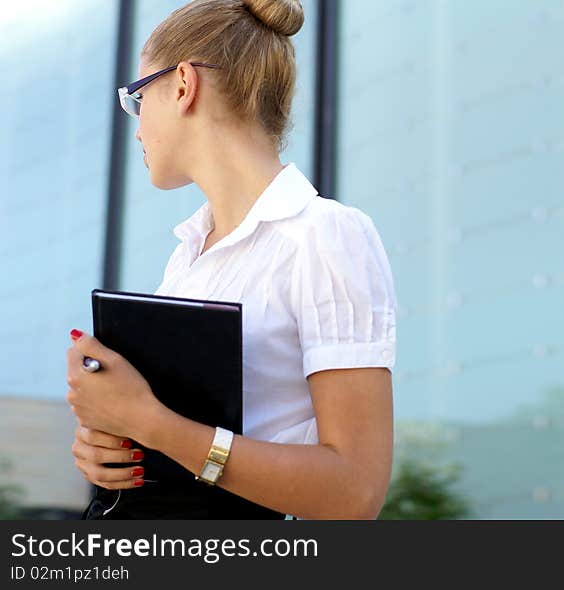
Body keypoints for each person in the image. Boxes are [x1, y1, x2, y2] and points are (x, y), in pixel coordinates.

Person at [65, 0, 397, 519]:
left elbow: (355, 493)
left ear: (181, 85)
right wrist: (114, 447)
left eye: (137, 98)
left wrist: (153, 424)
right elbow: (176, 440)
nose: (136, 128)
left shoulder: (325, 235)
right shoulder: (188, 255)